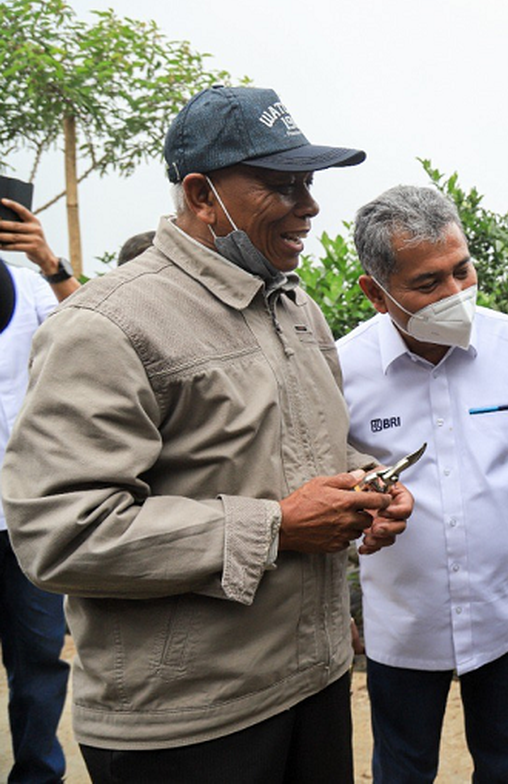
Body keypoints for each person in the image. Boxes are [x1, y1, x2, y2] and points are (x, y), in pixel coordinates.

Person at [0, 85, 413, 784]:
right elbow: (60, 533)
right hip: (188, 721)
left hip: (311, 681)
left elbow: (307, 447)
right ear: (200, 194)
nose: (308, 207)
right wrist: (278, 526)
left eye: (308, 184)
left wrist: (366, 483)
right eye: (282, 186)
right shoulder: (108, 325)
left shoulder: (294, 306)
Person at [337, 184, 508, 783]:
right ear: (376, 292)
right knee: (403, 767)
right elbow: (324, 486)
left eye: (462, 270)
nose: (456, 293)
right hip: (404, 620)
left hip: (506, 611)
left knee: (504, 764)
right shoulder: (342, 369)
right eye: (429, 283)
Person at [0, 202, 78, 783]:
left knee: (39, 664)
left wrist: (48, 260)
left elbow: (101, 333)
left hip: (26, 520)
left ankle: (37, 776)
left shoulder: (31, 287)